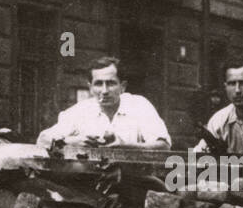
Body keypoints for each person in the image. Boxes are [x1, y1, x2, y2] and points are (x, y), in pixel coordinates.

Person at [37, 57, 170, 148]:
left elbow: (163, 146)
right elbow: (43, 140)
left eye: (111, 83)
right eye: (98, 84)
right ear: (90, 88)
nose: (104, 91)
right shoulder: (81, 110)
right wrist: (72, 141)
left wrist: (125, 145)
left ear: (122, 86)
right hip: (90, 181)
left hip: (131, 181)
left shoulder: (139, 105)